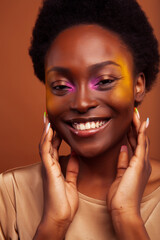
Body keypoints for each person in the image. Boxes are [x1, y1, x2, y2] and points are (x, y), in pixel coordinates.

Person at [0, 0, 160, 239]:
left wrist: (127, 217)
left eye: (104, 81)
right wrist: (53, 223)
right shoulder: (10, 193)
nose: (82, 103)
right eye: (61, 86)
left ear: (138, 85)